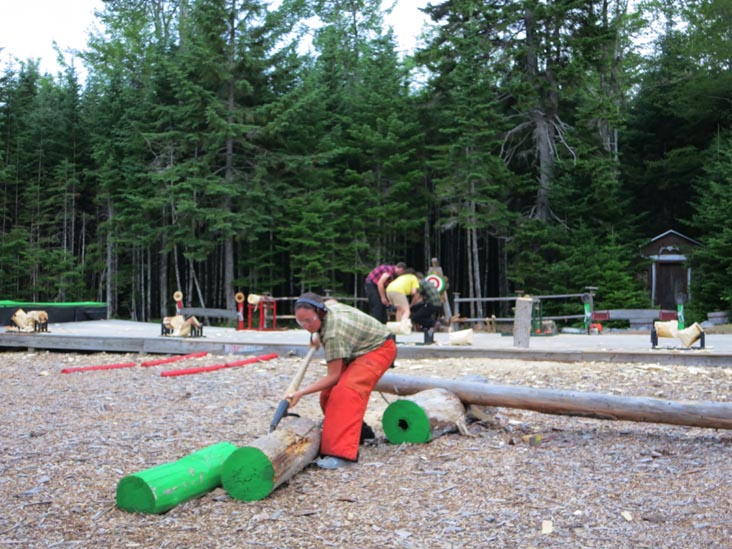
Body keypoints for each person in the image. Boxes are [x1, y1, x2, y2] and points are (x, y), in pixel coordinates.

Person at [287, 292, 397, 469]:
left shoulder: (333, 334)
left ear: (321, 313)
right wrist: (316, 333)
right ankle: (360, 432)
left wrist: (301, 393)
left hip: (379, 348)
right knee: (327, 396)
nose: (306, 326)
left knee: (346, 391)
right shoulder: (325, 312)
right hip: (357, 348)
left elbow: (333, 376)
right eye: (301, 322)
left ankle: (342, 454)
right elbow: (331, 302)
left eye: (309, 321)